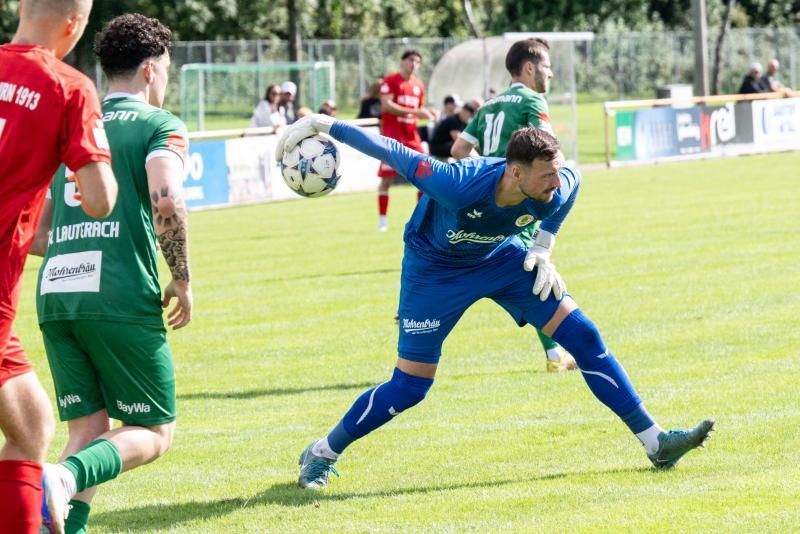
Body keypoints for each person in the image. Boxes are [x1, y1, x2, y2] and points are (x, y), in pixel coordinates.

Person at [277, 115, 714, 490]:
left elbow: (574, 182)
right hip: (435, 271)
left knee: (583, 335)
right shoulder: (458, 184)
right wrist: (322, 125)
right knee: (410, 386)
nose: (554, 183)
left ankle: (656, 443)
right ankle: (323, 452)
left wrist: (543, 245)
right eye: (545, 175)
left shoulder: (555, 186)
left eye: (556, 173)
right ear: (515, 172)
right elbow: (392, 150)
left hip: (501, 259)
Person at [30, 13, 192, 534]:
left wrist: (79, 249)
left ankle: (64, 520)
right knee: (153, 430)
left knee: (90, 428)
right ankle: (58, 479)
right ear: (150, 70)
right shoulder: (158, 124)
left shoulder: (73, 123)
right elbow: (166, 197)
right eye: (165, 71)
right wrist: (182, 278)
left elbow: (36, 229)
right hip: (119, 295)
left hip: (56, 294)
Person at [0, 1, 118, 532]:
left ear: (22, 6)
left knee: (33, 425)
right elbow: (98, 200)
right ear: (75, 26)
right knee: (31, 431)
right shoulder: (68, 87)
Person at [452, 38, 575, 373]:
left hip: (487, 201)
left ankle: (555, 353)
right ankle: (555, 356)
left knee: (514, 273)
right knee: (534, 274)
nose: (550, 74)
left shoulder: (488, 106)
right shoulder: (531, 99)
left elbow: (460, 151)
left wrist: (485, 175)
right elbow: (552, 150)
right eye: (547, 67)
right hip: (517, 204)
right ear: (530, 67)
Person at [376, 49, 436, 232]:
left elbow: (418, 109)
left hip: (412, 137)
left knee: (425, 177)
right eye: (411, 60)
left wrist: (427, 113)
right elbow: (387, 106)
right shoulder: (390, 81)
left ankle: (421, 220)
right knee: (387, 180)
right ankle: (382, 220)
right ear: (402, 62)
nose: (414, 64)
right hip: (392, 137)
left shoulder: (419, 85)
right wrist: (415, 112)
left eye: (417, 62)